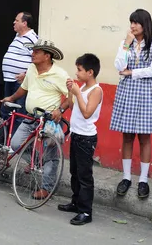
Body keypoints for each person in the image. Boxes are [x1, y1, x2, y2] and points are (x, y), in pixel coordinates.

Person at [3, 39, 70, 200]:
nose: (32, 54)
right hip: (31, 116)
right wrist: (11, 97)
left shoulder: (60, 74)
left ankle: (46, 188)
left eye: (36, 52)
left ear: (47, 56)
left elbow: (70, 97)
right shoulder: (32, 69)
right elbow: (24, 88)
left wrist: (60, 110)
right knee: (16, 143)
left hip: (48, 120)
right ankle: (36, 161)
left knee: (51, 155)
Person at [111, 9, 152, 199]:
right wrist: (126, 44)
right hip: (127, 91)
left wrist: (132, 72)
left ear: (145, 24)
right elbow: (118, 65)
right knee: (127, 136)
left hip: (145, 91)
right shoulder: (126, 43)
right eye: (131, 22)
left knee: (144, 137)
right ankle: (126, 177)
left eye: (136, 23)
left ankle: (143, 179)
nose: (132, 26)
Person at [58, 53, 103, 226]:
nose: (76, 73)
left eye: (79, 70)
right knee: (75, 173)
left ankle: (86, 211)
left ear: (90, 72)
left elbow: (86, 113)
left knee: (85, 176)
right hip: (76, 134)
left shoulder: (96, 91)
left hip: (87, 137)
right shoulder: (82, 88)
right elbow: (71, 106)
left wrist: (77, 92)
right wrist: (71, 92)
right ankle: (76, 202)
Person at [0, 12, 39, 127]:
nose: (14, 22)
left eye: (16, 20)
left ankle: (15, 143)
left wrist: (26, 74)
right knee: (6, 110)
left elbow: (38, 60)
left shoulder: (32, 39)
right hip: (9, 80)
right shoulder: (18, 36)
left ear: (24, 23)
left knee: (19, 113)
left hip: (21, 83)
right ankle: (4, 140)